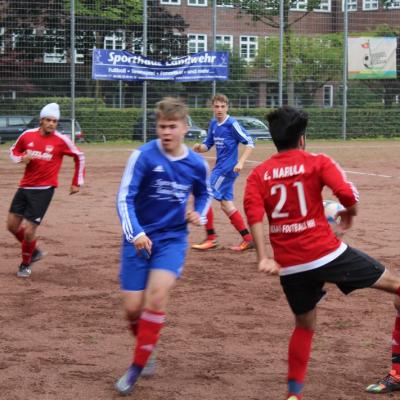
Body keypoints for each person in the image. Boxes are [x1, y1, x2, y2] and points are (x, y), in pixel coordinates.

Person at [243, 106, 400, 399]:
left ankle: (293, 394)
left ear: (274, 139)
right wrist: (350, 213)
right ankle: (399, 370)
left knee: (304, 326)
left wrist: (263, 257)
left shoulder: (259, 174)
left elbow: (253, 214)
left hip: (289, 265)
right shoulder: (317, 162)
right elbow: (347, 195)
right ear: (302, 138)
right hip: (327, 254)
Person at [115, 97, 212, 395]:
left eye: (172, 126)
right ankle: (146, 344)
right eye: (161, 126)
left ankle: (136, 367)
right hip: (139, 239)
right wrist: (136, 233)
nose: (166, 132)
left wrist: (200, 213)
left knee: (156, 298)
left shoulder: (196, 163)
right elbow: (124, 198)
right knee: (132, 310)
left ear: (185, 127)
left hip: (172, 239)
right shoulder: (143, 156)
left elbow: (204, 193)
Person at [7, 103, 85, 278]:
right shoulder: (28, 135)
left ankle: (25, 264)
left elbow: (79, 156)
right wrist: (21, 158)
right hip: (25, 186)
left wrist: (76, 182)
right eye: (48, 120)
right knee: (11, 226)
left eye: (55, 121)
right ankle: (33, 251)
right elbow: (13, 151)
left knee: (29, 230)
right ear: (41, 120)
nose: (51, 124)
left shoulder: (61, 140)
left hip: (44, 190)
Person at [192, 93, 254, 252]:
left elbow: (250, 143)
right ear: (212, 107)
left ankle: (211, 238)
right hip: (220, 168)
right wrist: (200, 148)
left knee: (205, 193)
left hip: (227, 169)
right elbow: (208, 145)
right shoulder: (213, 124)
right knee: (226, 205)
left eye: (222, 106)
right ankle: (248, 238)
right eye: (216, 106)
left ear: (227, 107)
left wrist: (241, 161)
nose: (219, 109)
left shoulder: (232, 124)